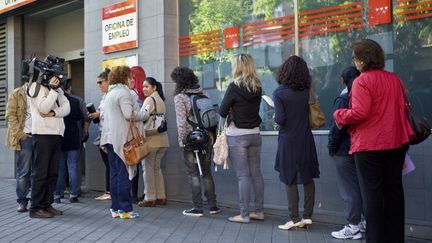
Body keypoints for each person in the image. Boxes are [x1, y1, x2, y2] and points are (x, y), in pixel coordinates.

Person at [333, 39, 414, 243]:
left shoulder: (362, 81)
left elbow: (360, 113)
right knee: (394, 193)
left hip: (369, 146)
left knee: (372, 196)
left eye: (355, 58)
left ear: (361, 60)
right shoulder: (394, 79)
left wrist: (340, 115)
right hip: (396, 143)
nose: (355, 62)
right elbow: (405, 108)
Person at [273, 55, 320, 230]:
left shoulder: (279, 93)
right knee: (307, 176)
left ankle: (294, 218)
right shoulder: (306, 91)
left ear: (284, 71)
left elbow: (280, 119)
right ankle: (307, 217)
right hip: (306, 139)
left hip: (288, 140)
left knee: (289, 178)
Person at [218, 53, 265, 224]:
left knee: (243, 176)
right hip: (255, 134)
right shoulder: (257, 87)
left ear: (237, 67)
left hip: (238, 135)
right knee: (256, 174)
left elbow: (222, 111)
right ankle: (259, 211)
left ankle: (244, 214)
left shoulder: (233, 87)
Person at [100, 65, 150, 219]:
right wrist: (145, 113)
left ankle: (115, 208)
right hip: (121, 140)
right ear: (125, 78)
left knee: (114, 175)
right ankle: (126, 210)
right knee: (123, 175)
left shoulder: (110, 93)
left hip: (109, 139)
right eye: (131, 77)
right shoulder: (123, 93)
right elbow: (129, 114)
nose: (133, 80)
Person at [171, 66, 221, 217]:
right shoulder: (203, 93)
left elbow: (181, 122)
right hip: (207, 137)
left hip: (191, 140)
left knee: (193, 174)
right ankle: (213, 206)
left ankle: (198, 208)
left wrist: (182, 141)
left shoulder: (180, 97)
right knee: (207, 173)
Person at [328, 66, 365, 240]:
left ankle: (353, 226)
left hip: (343, 150)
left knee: (349, 190)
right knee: (361, 187)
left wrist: (331, 148)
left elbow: (336, 129)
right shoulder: (362, 96)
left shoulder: (342, 99)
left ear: (343, 80)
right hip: (362, 149)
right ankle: (363, 223)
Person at [27, 74, 70, 218]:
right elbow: (43, 108)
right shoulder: (35, 87)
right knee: (40, 173)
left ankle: (46, 204)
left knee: (52, 173)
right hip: (42, 134)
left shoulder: (58, 90)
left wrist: (54, 113)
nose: (56, 78)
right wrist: (52, 90)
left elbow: (67, 108)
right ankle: (35, 208)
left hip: (57, 134)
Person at [137, 77, 169, 207]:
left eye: (147, 86)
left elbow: (143, 116)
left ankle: (150, 197)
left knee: (148, 169)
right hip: (162, 140)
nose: (144, 89)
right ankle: (161, 196)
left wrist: (134, 114)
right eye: (143, 86)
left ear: (154, 87)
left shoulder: (149, 100)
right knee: (156, 169)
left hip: (151, 140)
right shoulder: (161, 100)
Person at [54, 78, 87, 203]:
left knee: (60, 167)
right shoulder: (75, 101)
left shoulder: (55, 101)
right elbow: (83, 117)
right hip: (74, 136)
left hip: (59, 136)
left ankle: (57, 194)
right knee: (73, 166)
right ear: (69, 88)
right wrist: (84, 132)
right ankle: (73, 194)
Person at [5, 80, 33, 213]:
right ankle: (22, 200)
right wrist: (20, 134)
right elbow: (10, 115)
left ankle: (36, 200)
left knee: (37, 171)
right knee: (24, 171)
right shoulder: (17, 93)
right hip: (25, 137)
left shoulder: (40, 93)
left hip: (39, 136)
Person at [90, 68, 111, 200]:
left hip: (110, 135)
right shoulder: (104, 97)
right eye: (97, 83)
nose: (99, 85)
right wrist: (95, 116)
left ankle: (110, 192)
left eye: (101, 82)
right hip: (103, 133)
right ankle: (109, 191)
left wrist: (99, 114)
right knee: (108, 165)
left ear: (109, 81)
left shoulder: (113, 95)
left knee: (111, 165)